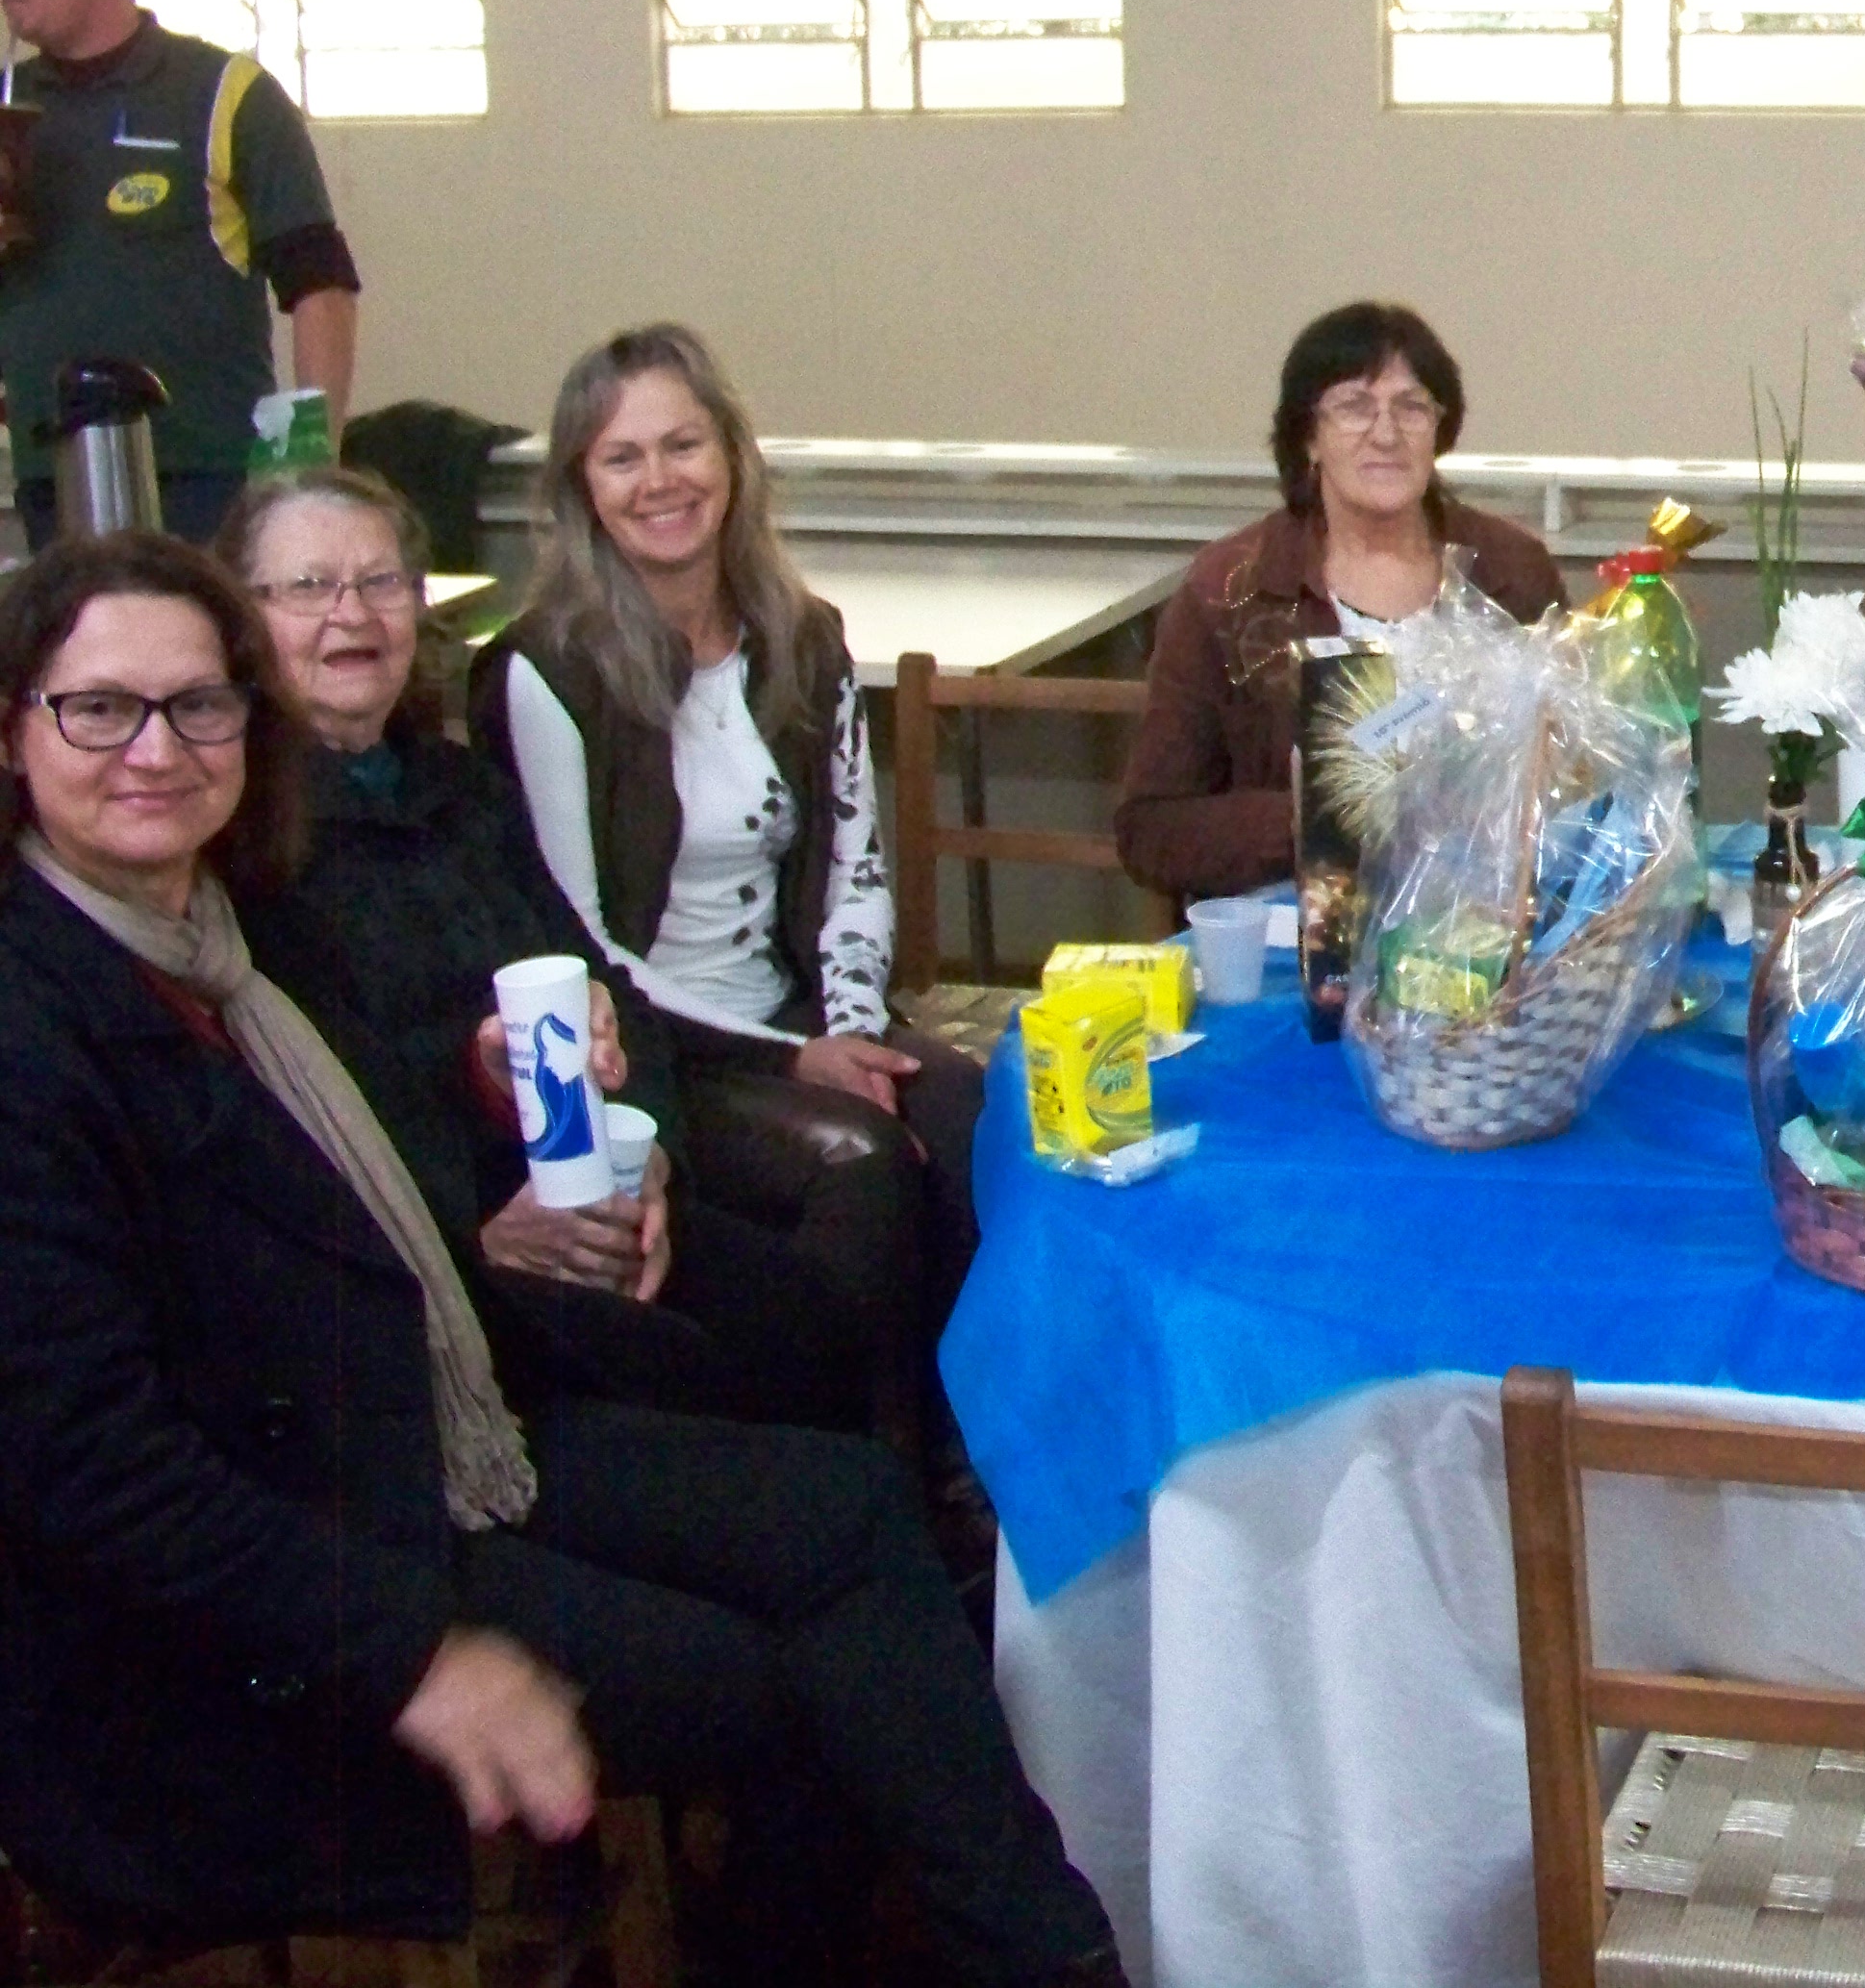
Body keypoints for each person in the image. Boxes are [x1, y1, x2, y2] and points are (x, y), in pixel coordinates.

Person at [0, 532, 1119, 1985]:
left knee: (848, 1507)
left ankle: (1047, 1956)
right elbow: (90, 1470)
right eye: (99, 708)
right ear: (15, 732)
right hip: (235, 1616)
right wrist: (415, 1651)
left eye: (198, 704)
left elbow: (360, 1187)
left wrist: (491, 1098)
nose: (156, 750)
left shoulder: (230, 939)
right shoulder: (36, 1023)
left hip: (408, 1442)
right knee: (791, 1683)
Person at [221, 466, 862, 1432]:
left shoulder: (461, 791)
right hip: (437, 1251)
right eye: (310, 587)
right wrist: (482, 1233)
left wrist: (650, 1163)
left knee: (810, 1319)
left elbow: (606, 986)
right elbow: (313, 1101)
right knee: (702, 1382)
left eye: (383, 582)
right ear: (244, 620)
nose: (351, 614)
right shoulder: (245, 839)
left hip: (585, 1188)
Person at [466, 326, 971, 1494]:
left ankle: (976, 1461)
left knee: (968, 1109)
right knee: (857, 1162)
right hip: (660, 1051)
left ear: (733, 457)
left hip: (802, 1016)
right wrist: (797, 1062)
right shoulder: (544, 670)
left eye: (683, 445)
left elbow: (854, 865)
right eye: (622, 457)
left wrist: (850, 1030)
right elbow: (582, 943)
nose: (660, 481)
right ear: (582, 489)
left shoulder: (803, 634)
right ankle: (860, 1475)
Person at [1116, 300, 1564, 905]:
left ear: (1440, 429)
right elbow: (1150, 831)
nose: (1387, 434)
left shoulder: (1512, 571)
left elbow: (1577, 775)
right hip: (1299, 932)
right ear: (1309, 436)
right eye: (1354, 406)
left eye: (1412, 407)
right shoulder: (1229, 592)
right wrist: (1325, 817)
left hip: (1485, 922)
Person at [0, 0, 358, 551]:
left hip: (206, 471)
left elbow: (320, 283)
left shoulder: (222, 93)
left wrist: (312, 458)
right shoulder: (10, 107)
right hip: (53, 471)